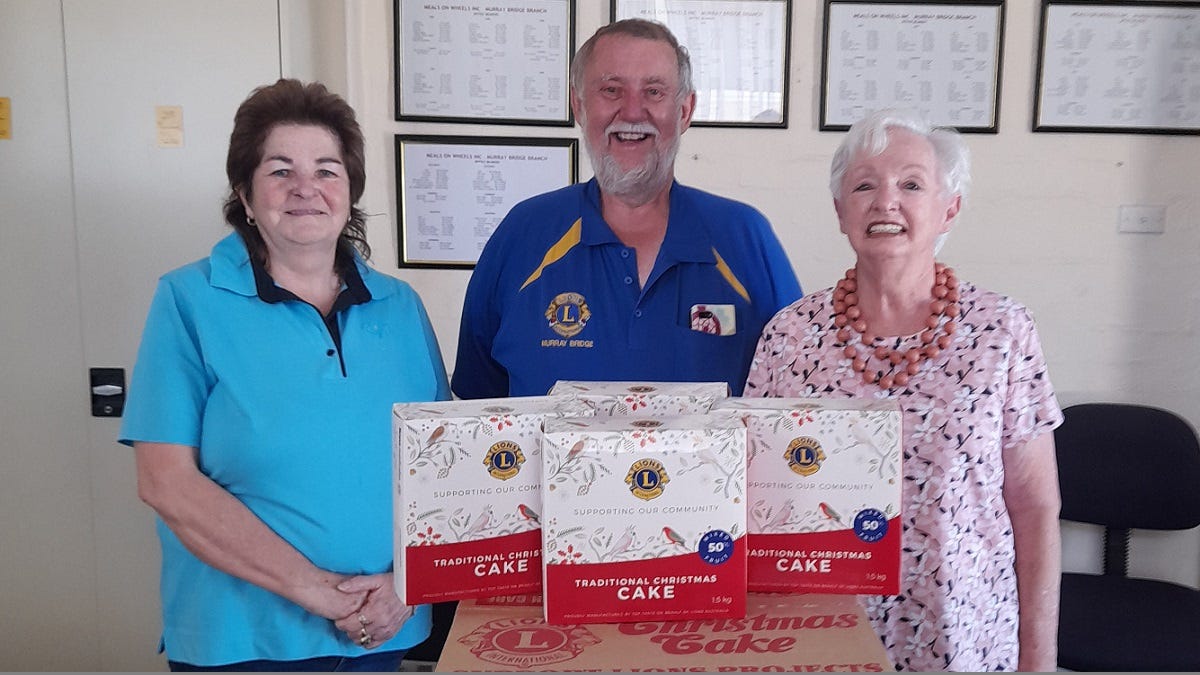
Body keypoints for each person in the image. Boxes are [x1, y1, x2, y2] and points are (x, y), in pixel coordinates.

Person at [118, 79, 449, 672]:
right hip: (243, 640)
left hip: (385, 630)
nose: (305, 188)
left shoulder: (401, 307)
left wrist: (407, 583)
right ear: (244, 195)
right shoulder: (189, 300)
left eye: (326, 170)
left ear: (350, 191)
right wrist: (317, 592)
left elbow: (445, 466)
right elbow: (166, 483)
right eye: (280, 171)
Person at [743, 108, 1062, 671]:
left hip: (962, 635)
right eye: (864, 185)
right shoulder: (789, 336)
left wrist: (1038, 656)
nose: (885, 201)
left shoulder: (1003, 331)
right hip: (821, 632)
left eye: (911, 185)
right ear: (840, 211)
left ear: (949, 209)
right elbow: (753, 497)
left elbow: (1035, 506)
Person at [451, 18, 801, 400]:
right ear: (579, 106)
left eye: (654, 91)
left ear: (685, 111)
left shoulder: (745, 237)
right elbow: (481, 402)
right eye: (611, 89)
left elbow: (795, 385)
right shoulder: (522, 235)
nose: (633, 112)